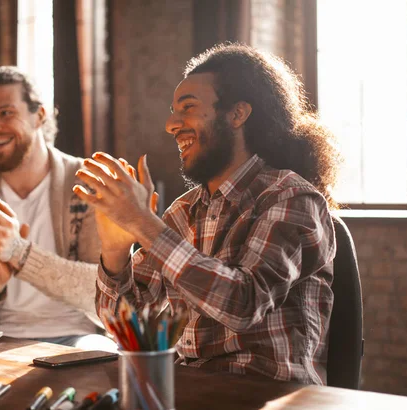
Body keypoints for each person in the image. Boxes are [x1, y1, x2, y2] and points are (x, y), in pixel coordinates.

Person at [73, 43, 341, 383]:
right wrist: (115, 251)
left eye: (187, 108)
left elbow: (244, 305)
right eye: (173, 111)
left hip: (268, 395)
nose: (171, 124)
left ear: (237, 114)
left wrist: (145, 225)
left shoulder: (290, 197)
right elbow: (127, 328)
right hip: (190, 390)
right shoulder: (183, 212)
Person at [0, 66, 115, 349]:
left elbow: (106, 294)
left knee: (105, 360)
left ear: (39, 116)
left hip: (77, 338)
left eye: (5, 113)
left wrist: (20, 254)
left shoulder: (89, 187)